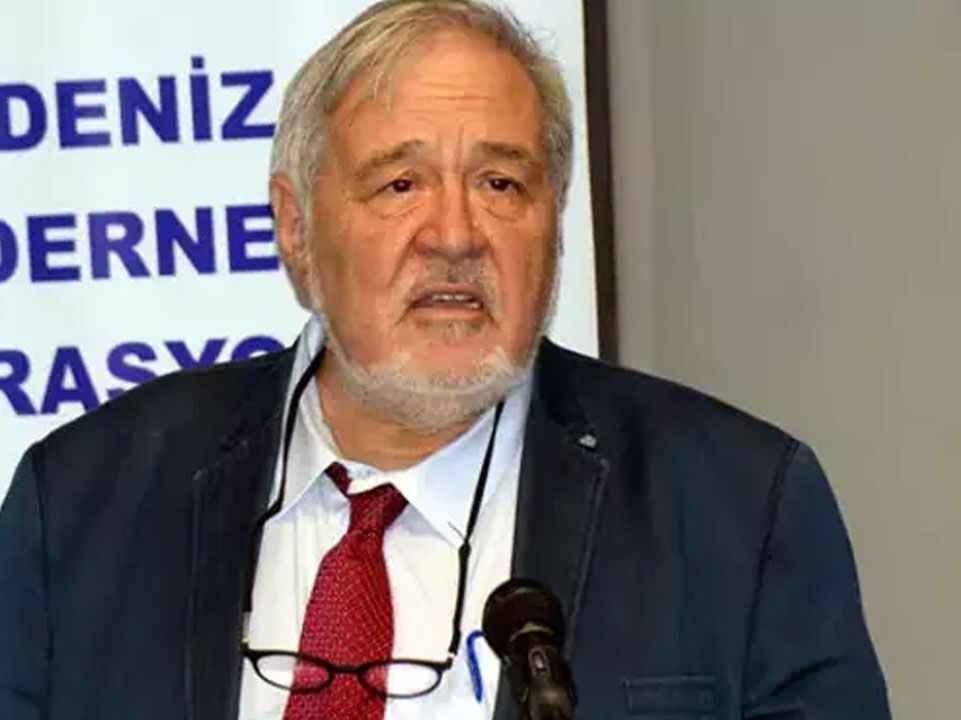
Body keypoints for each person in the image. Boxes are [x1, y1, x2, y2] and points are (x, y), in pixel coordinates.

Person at [0, 1, 891, 718]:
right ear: (295, 229)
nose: (456, 235)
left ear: (554, 223)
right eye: (400, 184)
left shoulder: (739, 506)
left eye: (501, 183)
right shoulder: (80, 503)